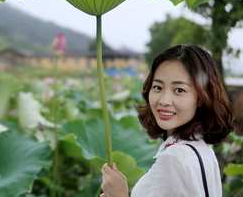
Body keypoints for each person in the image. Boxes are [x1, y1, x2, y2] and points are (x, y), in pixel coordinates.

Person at [100, 44, 237, 197]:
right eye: (158, 87)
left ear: (201, 97)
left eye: (179, 90)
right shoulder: (203, 149)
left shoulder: (174, 159)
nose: (164, 101)